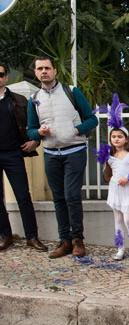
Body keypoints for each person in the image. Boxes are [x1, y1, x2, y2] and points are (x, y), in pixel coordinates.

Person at [26, 56, 98, 258]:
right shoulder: (34, 99)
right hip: (50, 154)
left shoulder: (71, 92)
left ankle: (78, 240)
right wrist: (38, 133)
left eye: (47, 68)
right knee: (58, 199)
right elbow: (30, 130)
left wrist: (76, 130)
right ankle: (64, 240)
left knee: (72, 196)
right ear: (36, 72)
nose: (44, 71)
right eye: (40, 68)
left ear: (55, 70)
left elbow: (92, 120)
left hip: (73, 151)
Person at [0, 62, 47, 252]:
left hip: (13, 153)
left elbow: (33, 124)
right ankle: (5, 235)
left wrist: (34, 141)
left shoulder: (18, 100)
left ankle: (32, 237)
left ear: (6, 77)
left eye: (0, 74)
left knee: (23, 196)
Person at [93, 94, 129, 262]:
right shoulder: (109, 156)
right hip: (116, 189)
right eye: (113, 137)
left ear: (126, 138)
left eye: (119, 136)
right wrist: (108, 171)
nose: (116, 139)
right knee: (118, 220)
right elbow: (107, 176)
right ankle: (120, 248)